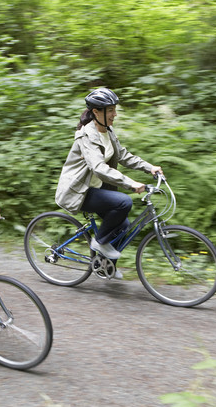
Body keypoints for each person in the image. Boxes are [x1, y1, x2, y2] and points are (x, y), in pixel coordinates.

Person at [55, 88, 163, 270]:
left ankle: (105, 268)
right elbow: (98, 167)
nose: (115, 114)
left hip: (96, 189)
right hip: (79, 191)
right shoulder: (86, 136)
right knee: (124, 202)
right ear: (96, 112)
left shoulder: (108, 131)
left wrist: (149, 167)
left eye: (115, 109)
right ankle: (99, 242)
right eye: (110, 110)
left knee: (123, 225)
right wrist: (130, 183)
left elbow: (123, 156)